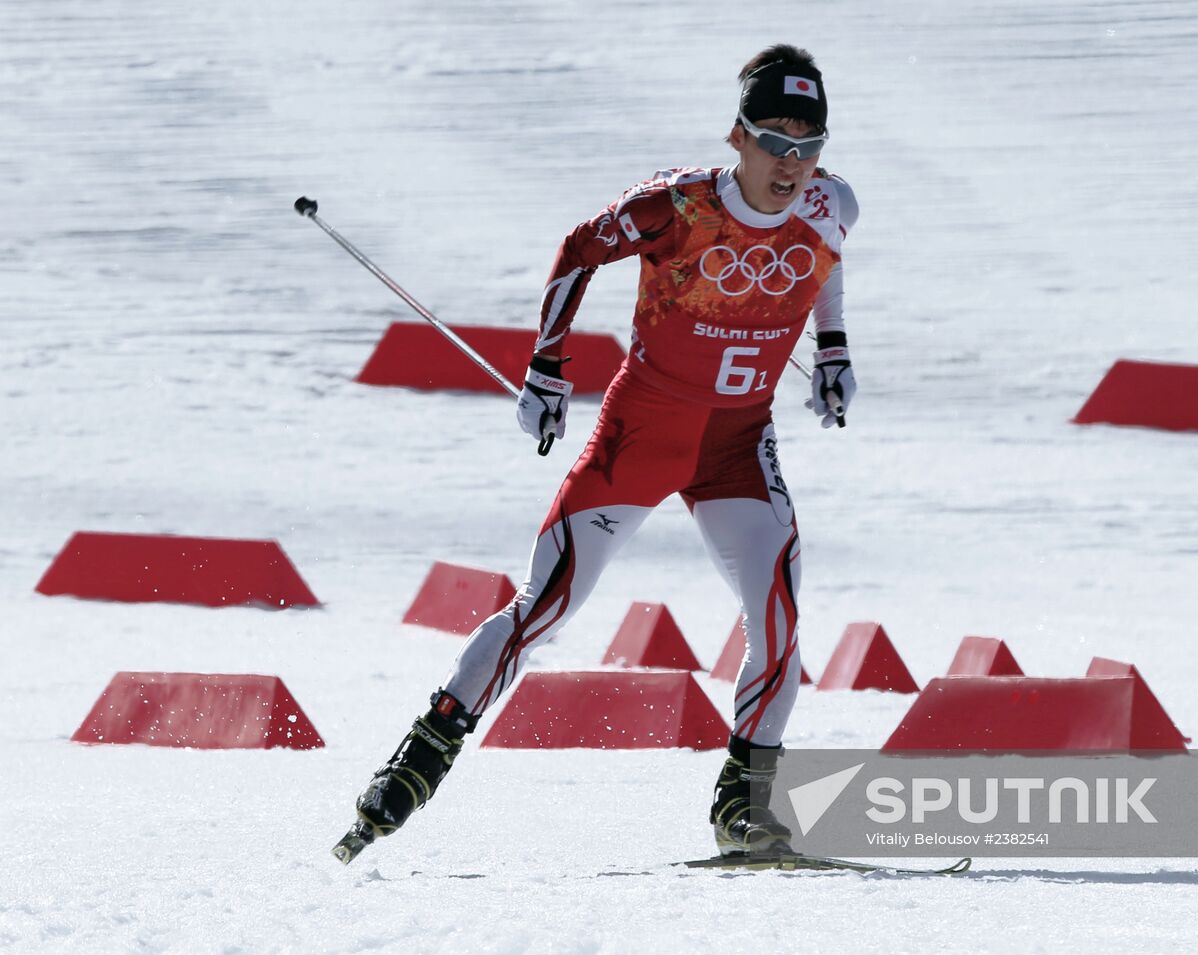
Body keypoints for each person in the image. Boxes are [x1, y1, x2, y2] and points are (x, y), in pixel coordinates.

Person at [334, 43, 858, 864]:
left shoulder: (832, 204)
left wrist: (833, 350)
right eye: (775, 142)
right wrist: (546, 367)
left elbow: (825, 262)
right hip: (640, 436)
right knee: (544, 608)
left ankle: (744, 806)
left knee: (780, 619)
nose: (792, 164)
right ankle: (414, 764)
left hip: (737, 446)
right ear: (738, 137)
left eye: (809, 144)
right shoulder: (677, 209)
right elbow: (579, 247)